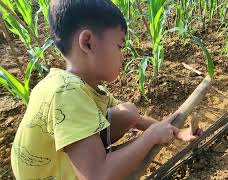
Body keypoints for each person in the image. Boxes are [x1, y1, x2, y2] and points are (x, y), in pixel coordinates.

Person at [11, 0, 202, 179]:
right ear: (88, 42)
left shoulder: (82, 86)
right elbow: (96, 176)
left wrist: (176, 132)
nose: (122, 56)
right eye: (119, 46)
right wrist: (150, 138)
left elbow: (136, 119)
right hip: (58, 174)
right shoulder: (66, 92)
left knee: (128, 112)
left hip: (62, 162)